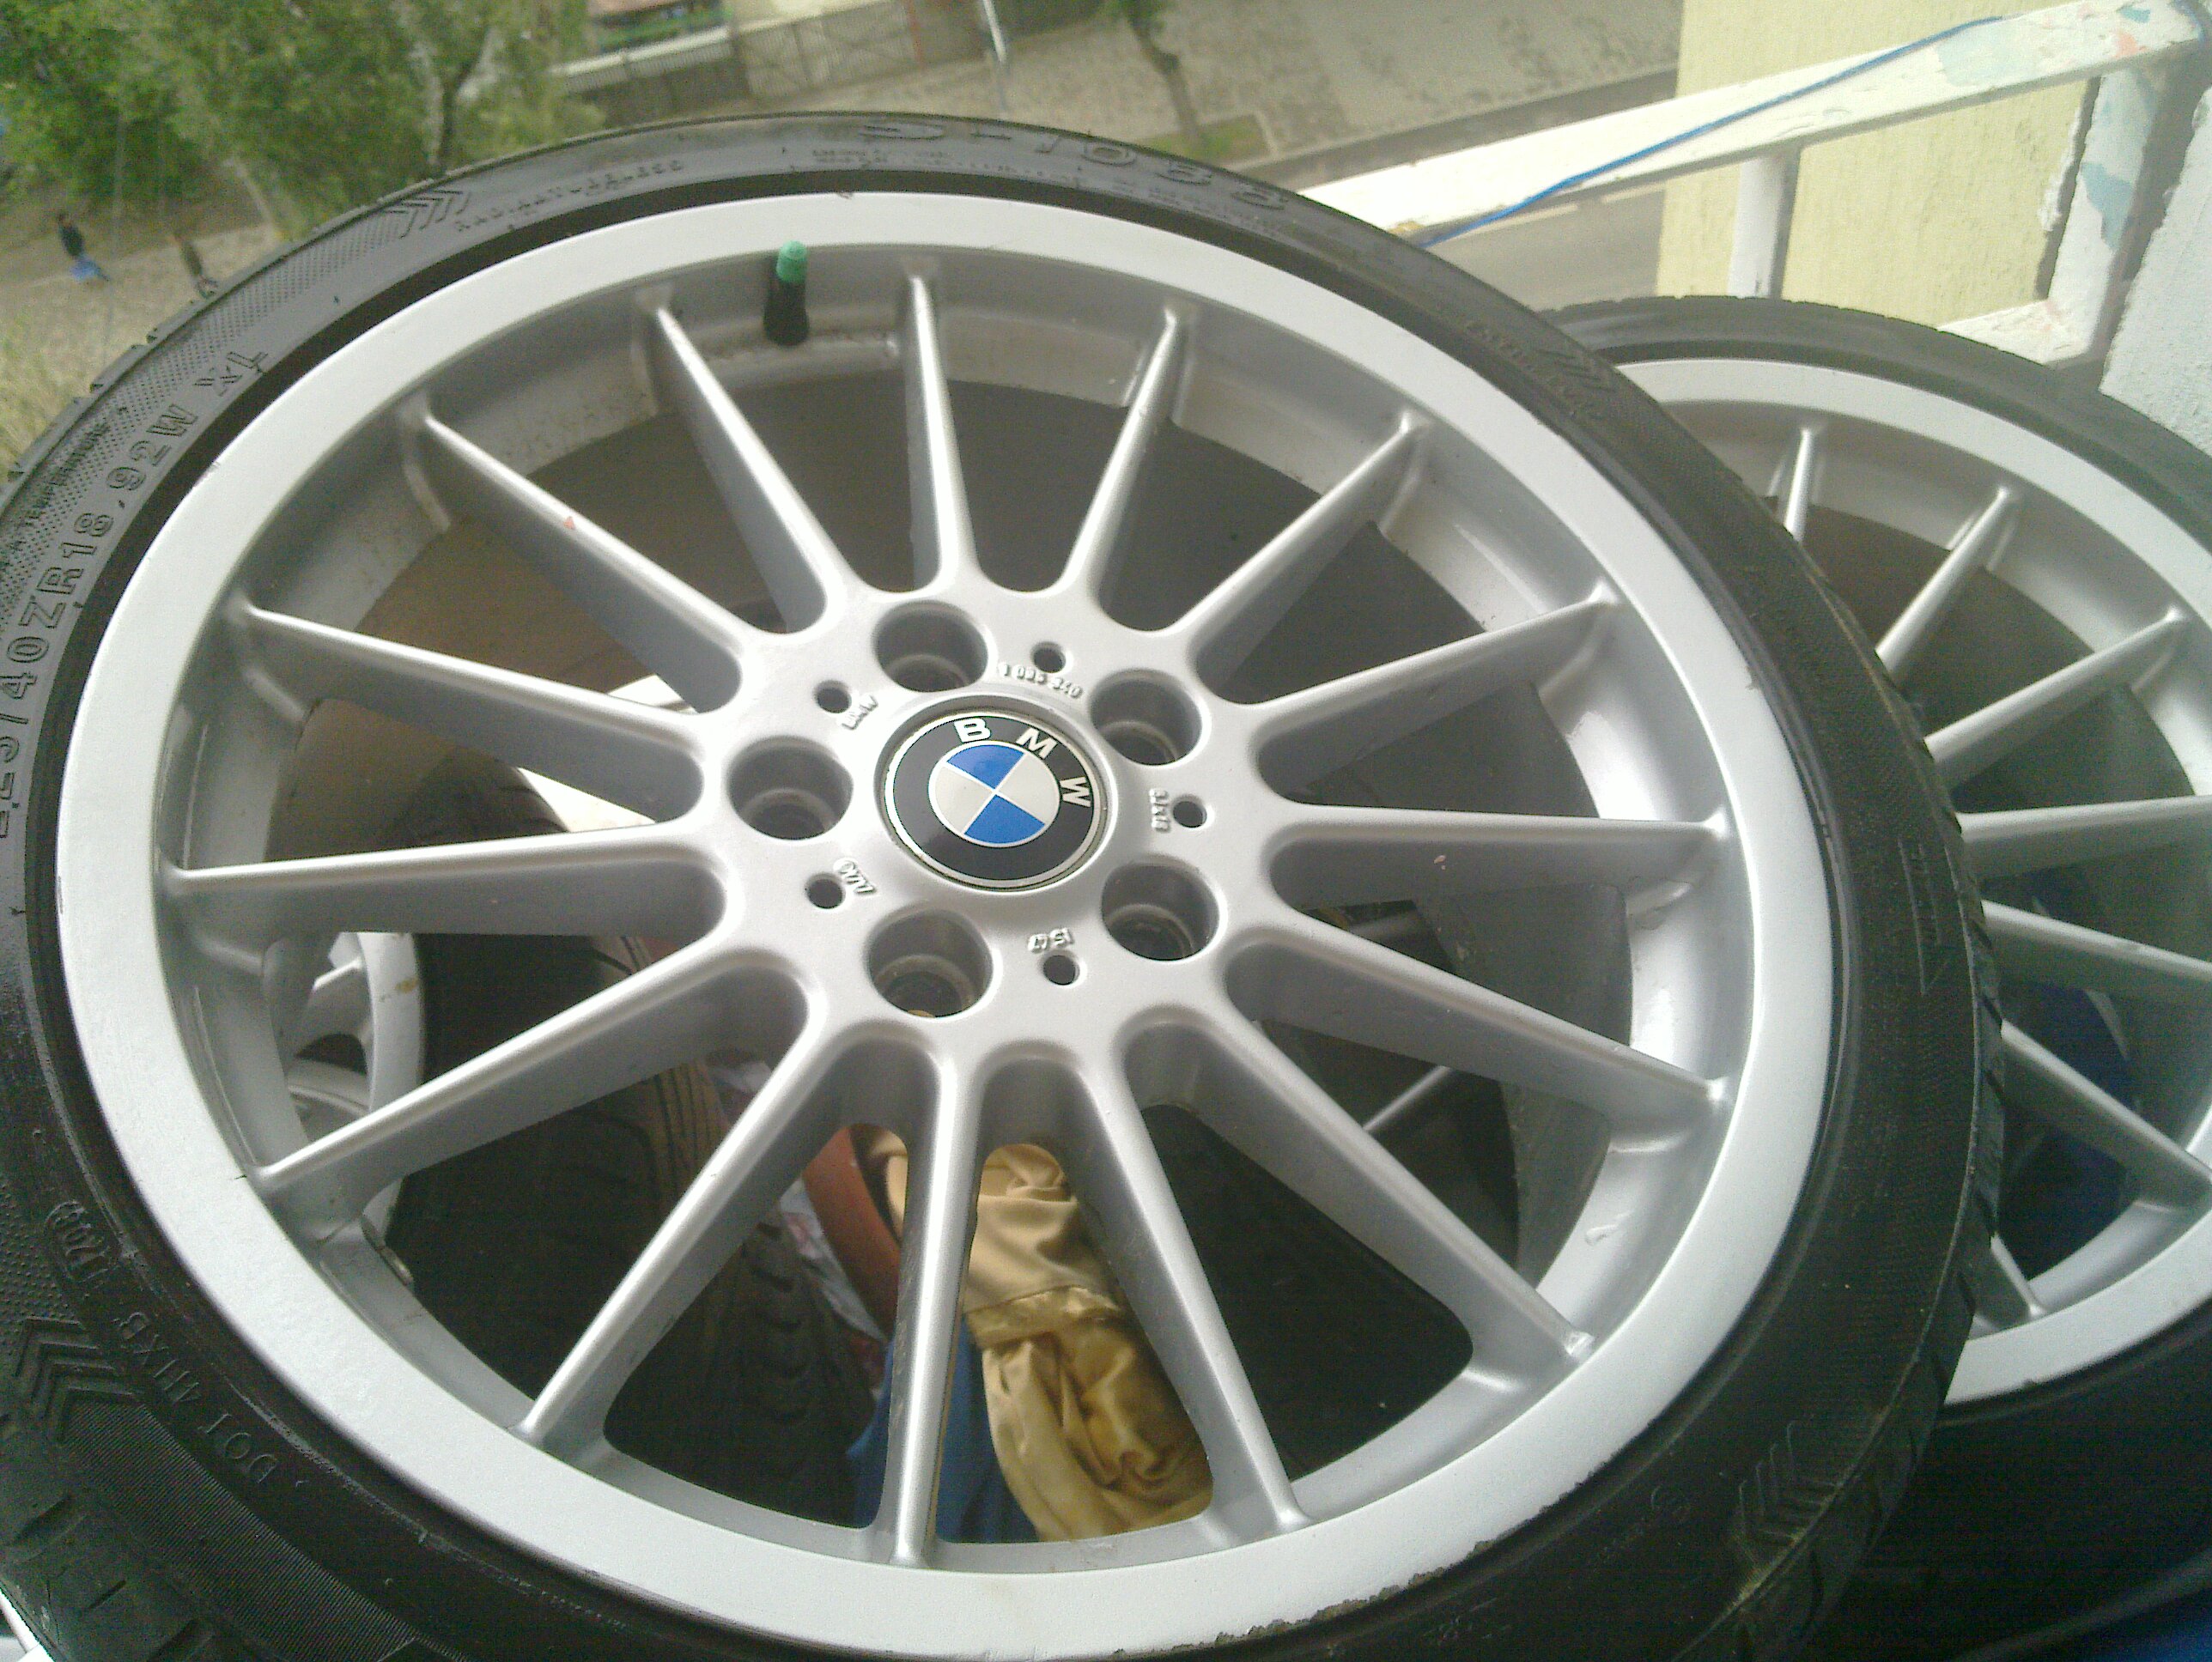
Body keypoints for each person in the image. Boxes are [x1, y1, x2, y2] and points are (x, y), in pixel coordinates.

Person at [56, 212, 108, 282]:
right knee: (90, 264)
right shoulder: (64, 231)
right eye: (66, 218)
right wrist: (75, 252)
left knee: (86, 265)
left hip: (80, 250)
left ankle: (91, 279)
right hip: (76, 252)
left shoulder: (71, 227)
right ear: (62, 221)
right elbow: (68, 244)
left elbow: (79, 237)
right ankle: (102, 278)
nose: (69, 219)